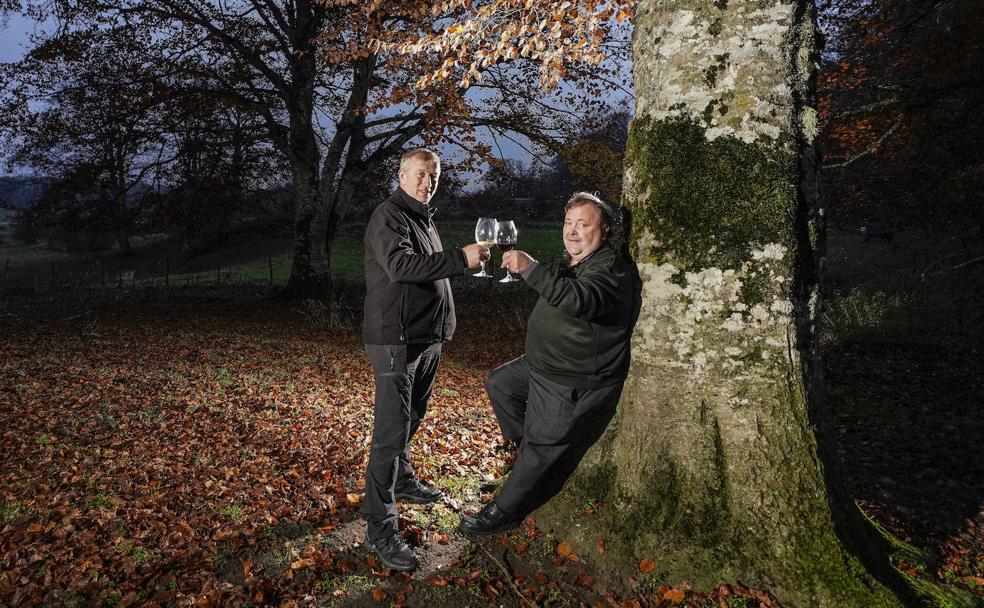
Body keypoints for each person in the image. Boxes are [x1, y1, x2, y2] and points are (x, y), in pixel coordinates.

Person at [459, 192, 641, 535]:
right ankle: (524, 455)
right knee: (500, 384)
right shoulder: (576, 260)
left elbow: (581, 301)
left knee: (542, 446)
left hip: (572, 378)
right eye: (568, 223)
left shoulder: (612, 269)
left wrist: (530, 267)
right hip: (541, 365)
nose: (572, 231)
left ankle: (502, 513)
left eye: (583, 224)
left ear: (603, 230)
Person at [361, 147, 489, 570]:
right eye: (419, 175)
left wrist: (443, 325)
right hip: (395, 340)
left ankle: (403, 479)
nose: (426, 183)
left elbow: (426, 273)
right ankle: (379, 527)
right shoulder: (389, 215)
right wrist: (460, 258)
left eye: (432, 177)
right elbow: (400, 267)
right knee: (390, 433)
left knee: (412, 417)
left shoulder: (422, 216)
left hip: (425, 338)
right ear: (401, 175)